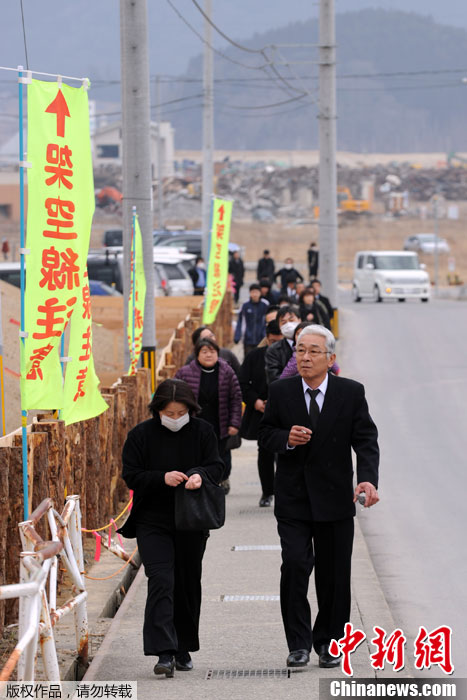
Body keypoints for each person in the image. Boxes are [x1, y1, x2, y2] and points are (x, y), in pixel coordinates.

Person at [258, 325, 379, 669]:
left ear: (330, 358)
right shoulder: (281, 392)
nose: (305, 357)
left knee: (334, 575)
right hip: (294, 499)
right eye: (300, 350)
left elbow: (366, 440)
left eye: (313, 351)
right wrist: (286, 438)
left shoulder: (351, 392)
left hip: (336, 499)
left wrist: (367, 480)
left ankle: (330, 643)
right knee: (295, 565)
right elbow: (265, 434)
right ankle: (298, 644)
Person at [119, 378, 224, 677]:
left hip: (192, 520)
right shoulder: (141, 435)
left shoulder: (203, 431)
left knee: (188, 581)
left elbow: (217, 466)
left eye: (181, 413)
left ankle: (184, 646)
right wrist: (161, 478)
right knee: (161, 579)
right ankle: (163, 652)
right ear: (158, 410)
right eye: (170, 413)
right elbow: (132, 475)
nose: (175, 418)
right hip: (153, 520)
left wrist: (199, 475)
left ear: (190, 409)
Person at [175, 338, 242, 495]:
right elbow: (176, 396)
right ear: (197, 354)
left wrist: (234, 423)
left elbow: (236, 398)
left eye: (212, 351)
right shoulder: (185, 372)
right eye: (204, 351)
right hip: (194, 423)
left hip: (220, 422)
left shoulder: (227, 371)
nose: (208, 355)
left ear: (218, 354)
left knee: (220, 455)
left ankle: (220, 480)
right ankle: (196, 481)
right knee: (195, 454)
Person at [239, 320, 283, 507]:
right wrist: (256, 402)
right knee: (264, 453)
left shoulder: (290, 356)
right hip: (261, 411)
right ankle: (267, 492)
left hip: (284, 411)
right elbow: (242, 383)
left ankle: (284, 491)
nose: (275, 345)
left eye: (279, 342)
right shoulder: (254, 356)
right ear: (267, 338)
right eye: (272, 341)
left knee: (284, 453)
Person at [265, 304, 300, 383]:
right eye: (283, 322)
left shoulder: (312, 343)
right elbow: (273, 378)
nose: (288, 325)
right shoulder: (273, 350)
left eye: (291, 320)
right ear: (279, 326)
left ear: (299, 320)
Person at [234, 283, 269, 357]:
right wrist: (237, 336)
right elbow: (240, 321)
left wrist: (266, 335)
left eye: (256, 292)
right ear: (250, 293)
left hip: (261, 338)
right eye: (253, 292)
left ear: (260, 293)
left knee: (260, 358)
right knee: (248, 358)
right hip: (248, 339)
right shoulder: (245, 305)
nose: (255, 294)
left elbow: (267, 321)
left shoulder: (265, 305)